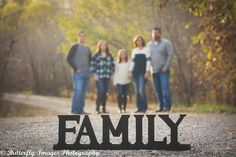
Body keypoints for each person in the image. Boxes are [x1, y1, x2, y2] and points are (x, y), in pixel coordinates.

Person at [148, 27, 173, 112]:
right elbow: (148, 58)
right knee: (157, 90)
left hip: (163, 71)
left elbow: (170, 55)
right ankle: (161, 106)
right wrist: (150, 68)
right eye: (153, 33)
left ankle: (167, 106)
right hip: (154, 71)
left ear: (160, 33)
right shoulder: (149, 45)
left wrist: (165, 67)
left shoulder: (166, 43)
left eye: (156, 33)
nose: (154, 35)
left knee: (165, 88)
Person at [66, 31, 91, 114]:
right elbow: (68, 58)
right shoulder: (74, 47)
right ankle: (74, 110)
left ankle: (80, 110)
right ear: (78, 37)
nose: (82, 38)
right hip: (78, 73)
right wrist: (76, 68)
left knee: (83, 92)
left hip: (87, 73)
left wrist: (91, 70)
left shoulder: (87, 48)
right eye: (81, 36)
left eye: (84, 36)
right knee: (78, 90)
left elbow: (90, 61)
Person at [91, 40, 115, 113]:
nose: (103, 46)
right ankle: (97, 107)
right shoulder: (96, 55)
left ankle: (103, 108)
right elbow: (92, 65)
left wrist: (112, 74)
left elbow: (113, 66)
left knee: (105, 92)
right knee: (100, 91)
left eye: (105, 45)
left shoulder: (109, 55)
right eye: (102, 45)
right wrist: (94, 74)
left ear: (106, 46)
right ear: (99, 46)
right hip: (99, 76)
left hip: (107, 76)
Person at [129, 35, 151, 113]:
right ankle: (138, 108)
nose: (139, 42)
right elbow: (132, 62)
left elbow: (148, 61)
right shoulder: (134, 50)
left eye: (140, 40)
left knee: (141, 90)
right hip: (135, 72)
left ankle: (144, 107)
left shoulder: (146, 50)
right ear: (135, 42)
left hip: (143, 72)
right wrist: (130, 71)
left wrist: (147, 72)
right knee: (137, 90)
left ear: (142, 41)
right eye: (137, 41)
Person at [113, 49, 131, 113]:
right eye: (121, 54)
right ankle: (120, 108)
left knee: (125, 95)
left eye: (124, 54)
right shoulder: (117, 63)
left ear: (126, 55)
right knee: (120, 94)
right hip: (119, 81)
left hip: (126, 81)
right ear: (119, 55)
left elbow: (130, 70)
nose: (123, 55)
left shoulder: (129, 62)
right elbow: (115, 72)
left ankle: (124, 108)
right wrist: (115, 81)